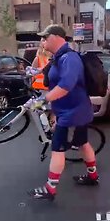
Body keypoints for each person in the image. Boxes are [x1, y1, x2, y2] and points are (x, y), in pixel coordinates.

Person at [27, 24, 99, 200]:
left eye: (45, 37)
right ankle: (93, 176)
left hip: (71, 112)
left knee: (57, 147)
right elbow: (45, 72)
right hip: (75, 110)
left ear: (56, 38)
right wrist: (33, 71)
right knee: (82, 142)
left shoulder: (69, 58)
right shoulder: (57, 58)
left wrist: (44, 100)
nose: (42, 41)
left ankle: (50, 188)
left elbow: (66, 86)